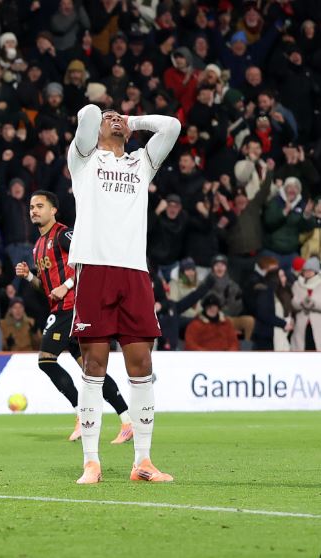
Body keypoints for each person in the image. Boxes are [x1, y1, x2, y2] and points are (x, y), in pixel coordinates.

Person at [67, 104, 181, 483]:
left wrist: (132, 122)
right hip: (95, 268)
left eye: (121, 117)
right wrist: (102, 114)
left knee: (141, 365)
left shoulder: (141, 163)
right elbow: (85, 115)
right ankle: (91, 462)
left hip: (134, 271)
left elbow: (172, 126)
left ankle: (143, 463)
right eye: (109, 116)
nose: (114, 118)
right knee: (94, 365)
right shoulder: (82, 159)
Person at [15, 190, 132, 444]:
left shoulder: (63, 234)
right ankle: (126, 420)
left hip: (73, 308)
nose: (34, 210)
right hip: (61, 309)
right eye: (31, 207)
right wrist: (27, 277)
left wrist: (67, 286)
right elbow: (47, 289)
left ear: (53, 210)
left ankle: (82, 415)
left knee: (46, 361)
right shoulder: (37, 247)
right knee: (91, 370)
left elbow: (89, 264)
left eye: (40, 206)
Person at [290, 256, 321, 351]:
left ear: (315, 271)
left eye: (310, 270)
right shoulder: (297, 284)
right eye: (305, 270)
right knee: (303, 348)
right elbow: (293, 303)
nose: (307, 273)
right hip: (302, 323)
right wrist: (302, 303)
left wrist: (314, 304)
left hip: (317, 323)